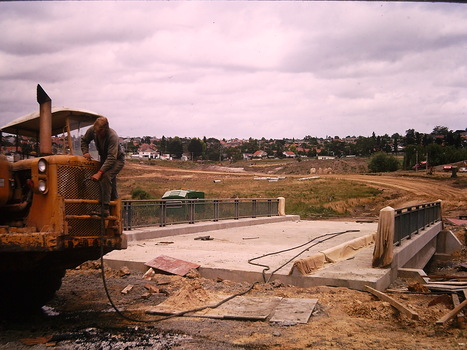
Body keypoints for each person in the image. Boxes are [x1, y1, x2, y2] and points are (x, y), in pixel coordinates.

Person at [81, 116, 125, 216]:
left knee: (106, 176)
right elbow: (84, 140)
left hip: (116, 159)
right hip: (104, 158)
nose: (96, 134)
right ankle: (113, 208)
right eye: (95, 132)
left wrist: (99, 172)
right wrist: (85, 152)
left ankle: (105, 208)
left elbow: (111, 158)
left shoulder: (112, 136)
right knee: (110, 184)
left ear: (105, 130)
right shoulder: (94, 130)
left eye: (99, 132)